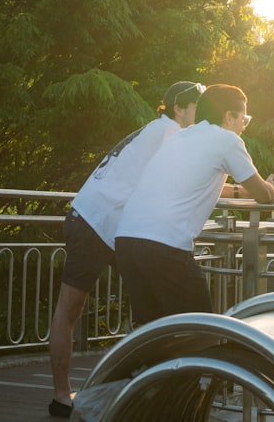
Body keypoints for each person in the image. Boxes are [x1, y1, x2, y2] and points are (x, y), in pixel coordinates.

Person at [47, 81, 205, 418]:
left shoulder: (157, 129)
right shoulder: (170, 133)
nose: (200, 115)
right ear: (179, 107)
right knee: (71, 308)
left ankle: (138, 387)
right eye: (196, 107)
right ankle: (63, 396)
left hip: (112, 225)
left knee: (149, 307)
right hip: (96, 222)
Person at [115, 84, 274, 326]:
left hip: (127, 239)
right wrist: (272, 188)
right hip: (164, 243)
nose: (244, 126)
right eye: (244, 119)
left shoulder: (182, 135)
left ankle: (146, 364)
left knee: (150, 333)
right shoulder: (227, 140)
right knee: (199, 330)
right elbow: (263, 195)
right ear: (229, 116)